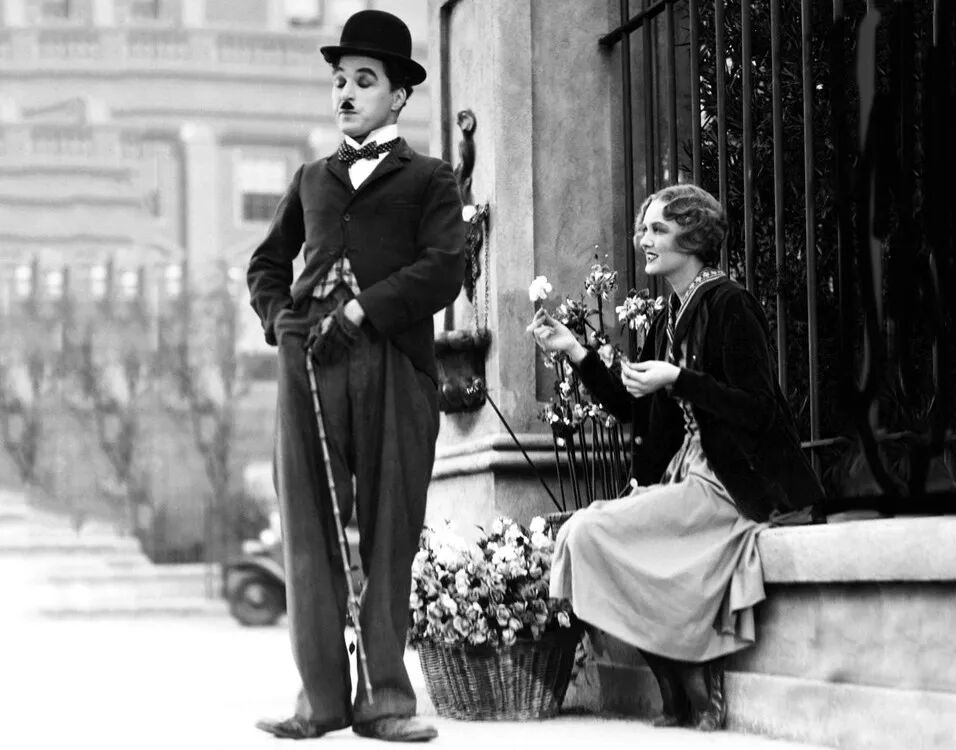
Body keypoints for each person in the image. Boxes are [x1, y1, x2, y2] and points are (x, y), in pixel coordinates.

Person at [526, 184, 822, 731]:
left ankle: (692, 676)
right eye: (644, 229)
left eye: (658, 229)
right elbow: (629, 405)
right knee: (582, 536)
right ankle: (674, 682)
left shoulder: (731, 304)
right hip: (682, 477)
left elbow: (759, 409)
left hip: (731, 484)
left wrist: (680, 379)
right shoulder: (668, 317)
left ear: (694, 238)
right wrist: (575, 351)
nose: (644, 239)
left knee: (588, 532)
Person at [246, 9, 464, 743]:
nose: (346, 92)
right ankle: (320, 702)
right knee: (307, 528)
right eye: (340, 80)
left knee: (388, 530)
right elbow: (266, 265)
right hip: (309, 365)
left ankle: (385, 702)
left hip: (393, 363)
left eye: (364, 81)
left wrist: (368, 309)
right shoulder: (311, 178)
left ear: (398, 96)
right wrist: (282, 322)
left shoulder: (429, 178)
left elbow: (445, 267)